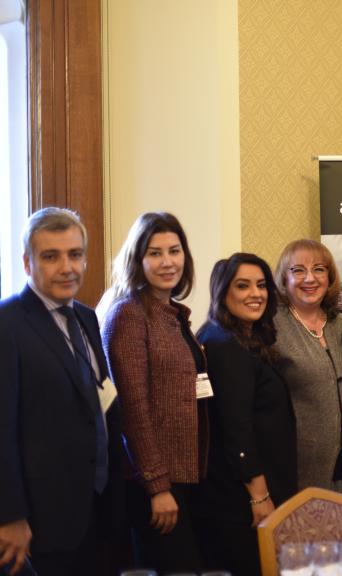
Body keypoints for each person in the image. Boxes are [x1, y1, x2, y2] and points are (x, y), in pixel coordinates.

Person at [0, 208, 124, 576]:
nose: (66, 267)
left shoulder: (86, 317)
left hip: (95, 507)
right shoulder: (7, 325)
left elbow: (99, 400)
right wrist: (9, 516)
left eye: (75, 254)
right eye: (51, 257)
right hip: (39, 517)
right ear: (27, 262)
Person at [101, 212, 209, 572]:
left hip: (185, 476)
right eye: (155, 253)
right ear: (138, 260)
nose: (167, 262)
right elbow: (133, 409)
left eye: (174, 251)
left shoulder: (173, 314)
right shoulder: (129, 315)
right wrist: (157, 487)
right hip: (155, 483)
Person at [196, 253, 297, 575]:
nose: (256, 294)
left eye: (261, 285)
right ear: (223, 291)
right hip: (239, 498)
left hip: (250, 488)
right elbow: (236, 426)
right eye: (243, 286)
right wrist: (259, 496)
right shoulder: (224, 344)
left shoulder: (246, 337)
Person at [273, 239, 342, 493]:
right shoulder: (272, 328)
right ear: (284, 279)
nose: (310, 278)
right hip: (298, 469)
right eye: (298, 270)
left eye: (319, 269)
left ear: (329, 277)